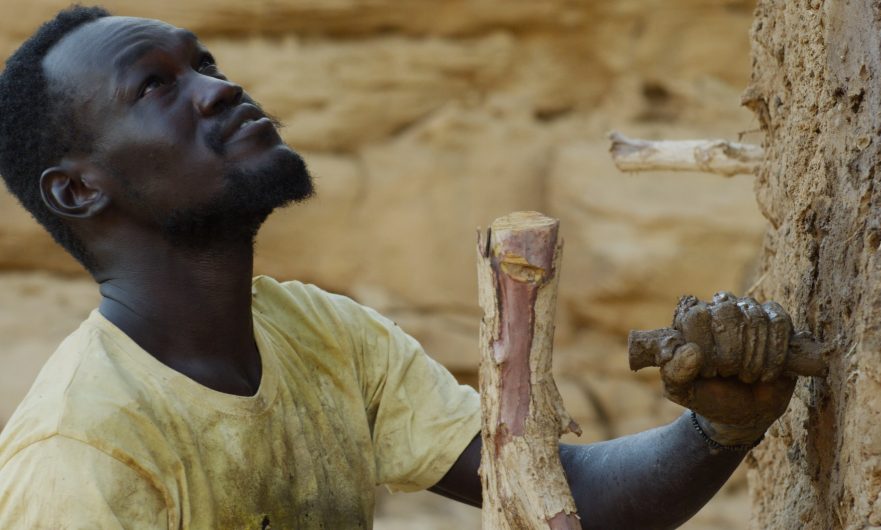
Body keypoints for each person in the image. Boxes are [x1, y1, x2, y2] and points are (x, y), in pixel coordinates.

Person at [0, 6, 798, 529]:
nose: (219, 88)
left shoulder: (323, 334)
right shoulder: (81, 457)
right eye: (155, 86)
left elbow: (558, 496)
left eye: (203, 62)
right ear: (78, 189)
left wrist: (719, 428)